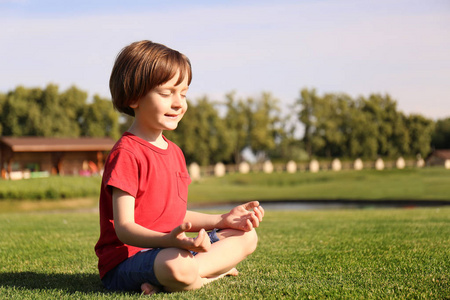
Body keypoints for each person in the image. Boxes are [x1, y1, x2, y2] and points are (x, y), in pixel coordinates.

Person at [94, 40, 264, 295]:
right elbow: (124, 228)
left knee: (247, 237)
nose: (178, 103)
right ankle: (205, 274)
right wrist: (168, 241)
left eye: (183, 93)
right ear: (133, 97)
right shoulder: (126, 153)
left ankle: (185, 275)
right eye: (166, 93)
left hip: (173, 249)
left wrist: (222, 220)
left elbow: (174, 215)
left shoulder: (174, 153)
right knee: (177, 264)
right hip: (127, 262)